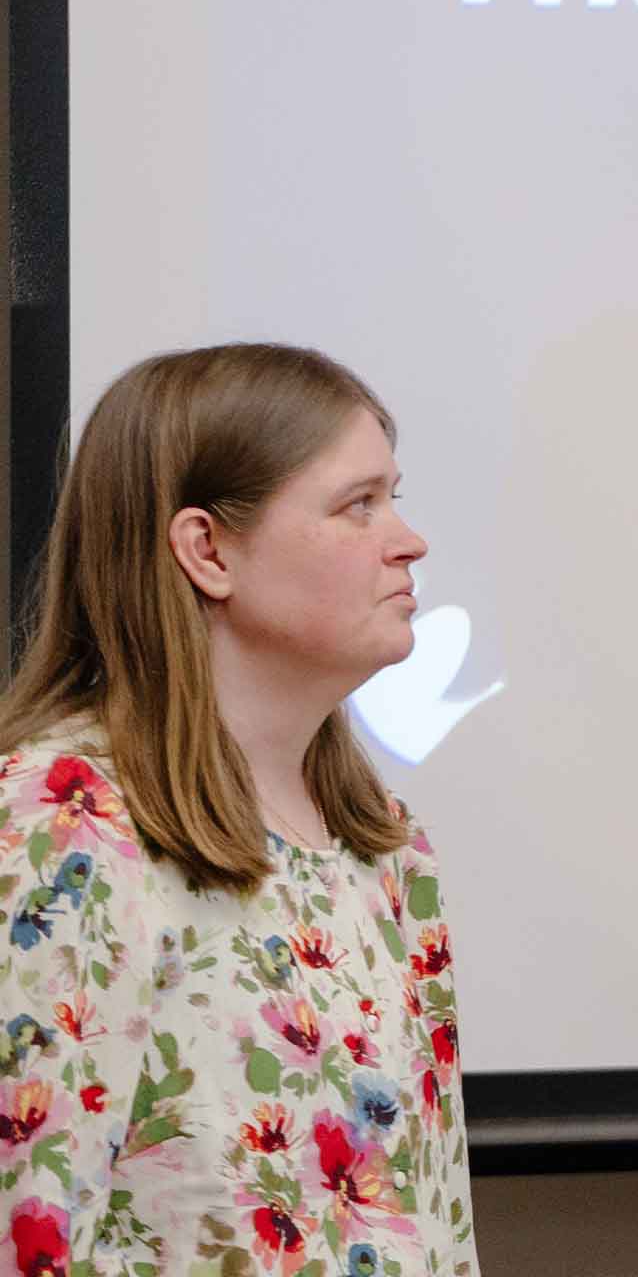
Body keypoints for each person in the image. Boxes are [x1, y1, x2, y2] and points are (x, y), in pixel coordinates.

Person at [0, 344, 477, 1275]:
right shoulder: (62, 828)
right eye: (359, 504)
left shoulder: (385, 845)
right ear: (206, 549)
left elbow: (437, 1224)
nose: (408, 540)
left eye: (395, 496)